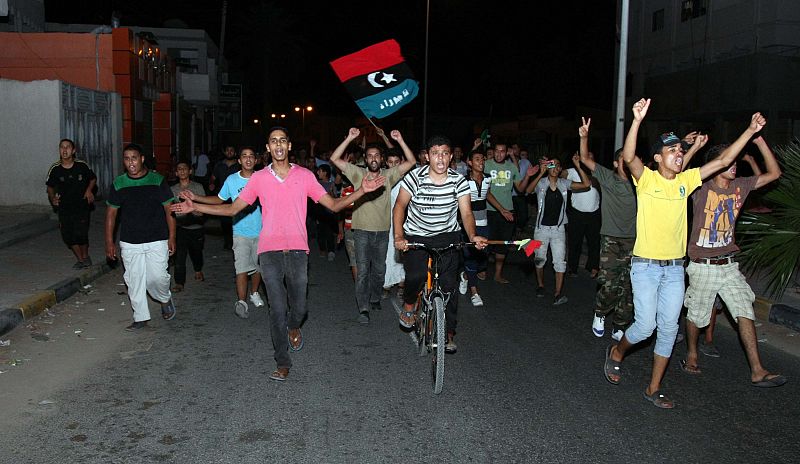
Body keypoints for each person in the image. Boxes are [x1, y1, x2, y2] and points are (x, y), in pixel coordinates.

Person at [172, 127, 385, 381]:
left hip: (298, 251)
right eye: (274, 141)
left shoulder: (305, 176)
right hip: (269, 252)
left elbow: (334, 205)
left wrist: (362, 191)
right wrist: (195, 206)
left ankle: (294, 326)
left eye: (283, 140)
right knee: (277, 308)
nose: (278, 144)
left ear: (289, 145)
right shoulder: (259, 178)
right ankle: (282, 361)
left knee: (300, 308)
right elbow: (232, 209)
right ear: (268, 148)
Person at [604, 98, 766, 409]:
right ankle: (617, 352)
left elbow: (722, 161)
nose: (679, 153)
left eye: (681, 150)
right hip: (646, 268)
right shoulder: (646, 179)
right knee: (645, 327)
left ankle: (653, 388)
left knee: (669, 328)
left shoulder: (686, 181)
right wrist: (636, 120)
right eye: (672, 150)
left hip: (675, 270)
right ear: (657, 158)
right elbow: (629, 156)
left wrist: (749, 131)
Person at [680, 136, 786, 388]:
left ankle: (757, 370)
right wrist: (688, 147)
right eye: (729, 161)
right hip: (703, 265)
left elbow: (774, 174)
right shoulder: (700, 187)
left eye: (736, 161)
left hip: (729, 264)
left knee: (744, 310)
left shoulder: (741, 185)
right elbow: (677, 175)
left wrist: (761, 143)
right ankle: (692, 352)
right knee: (696, 315)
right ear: (717, 164)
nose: (734, 165)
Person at [393, 135, 488, 354]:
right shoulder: (414, 177)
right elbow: (399, 206)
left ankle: (448, 332)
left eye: (445, 153)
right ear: (427, 156)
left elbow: (466, 213)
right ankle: (409, 304)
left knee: (449, 287)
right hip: (416, 235)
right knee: (416, 275)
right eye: (435, 153)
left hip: (447, 236)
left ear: (451, 156)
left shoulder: (459, 181)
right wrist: (399, 236)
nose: (440, 158)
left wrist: (473, 235)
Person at [329, 128, 416, 325]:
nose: (373, 158)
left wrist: (400, 140)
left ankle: (375, 296)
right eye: (369, 155)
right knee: (362, 272)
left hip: (383, 232)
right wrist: (350, 138)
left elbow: (411, 162)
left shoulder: (389, 175)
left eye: (377, 155)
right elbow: (334, 158)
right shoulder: (357, 173)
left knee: (379, 270)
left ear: (382, 159)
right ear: (366, 159)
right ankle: (363, 308)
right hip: (361, 232)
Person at [180, 147, 265, 319]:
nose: (248, 159)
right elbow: (219, 199)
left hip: (262, 231)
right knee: (241, 268)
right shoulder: (232, 180)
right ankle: (241, 302)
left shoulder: (262, 179)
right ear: (239, 160)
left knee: (258, 267)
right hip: (240, 231)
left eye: (251, 156)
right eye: (244, 156)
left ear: (256, 161)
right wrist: (196, 197)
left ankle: (254, 293)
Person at [105, 143, 177, 331]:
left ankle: (164, 298)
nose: (131, 162)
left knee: (157, 277)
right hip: (130, 240)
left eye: (134, 158)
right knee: (134, 279)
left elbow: (169, 209)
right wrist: (109, 242)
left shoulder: (157, 180)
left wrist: (172, 236)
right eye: (127, 159)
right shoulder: (119, 183)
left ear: (142, 159)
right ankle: (140, 317)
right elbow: (111, 213)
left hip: (157, 238)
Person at [578, 118, 637, 341]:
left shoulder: (641, 181)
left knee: (629, 286)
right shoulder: (607, 177)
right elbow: (585, 159)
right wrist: (584, 137)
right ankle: (600, 312)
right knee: (610, 283)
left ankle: (620, 324)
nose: (628, 163)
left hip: (635, 241)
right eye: (624, 159)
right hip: (611, 239)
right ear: (615, 163)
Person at [525, 154, 591, 305]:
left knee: (560, 261)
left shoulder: (564, 183)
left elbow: (586, 184)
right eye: (552, 165)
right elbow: (528, 190)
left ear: (560, 169)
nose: (555, 167)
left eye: (557, 165)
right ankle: (540, 285)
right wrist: (540, 173)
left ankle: (558, 293)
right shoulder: (541, 183)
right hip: (541, 229)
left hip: (558, 229)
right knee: (539, 259)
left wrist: (578, 166)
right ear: (548, 167)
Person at [485, 142, 537, 283]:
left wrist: (527, 176)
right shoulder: (487, 165)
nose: (499, 154)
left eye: (502, 151)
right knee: (486, 241)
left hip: (508, 211)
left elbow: (520, 189)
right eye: (496, 151)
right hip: (489, 210)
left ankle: (498, 274)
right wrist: (501, 210)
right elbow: (486, 192)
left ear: (507, 152)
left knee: (503, 243)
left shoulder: (511, 167)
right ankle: (482, 269)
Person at [458, 148, 504, 306]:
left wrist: (502, 209)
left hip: (484, 223)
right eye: (477, 159)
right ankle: (474, 292)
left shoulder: (487, 178)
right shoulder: (463, 181)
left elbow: (487, 194)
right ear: (470, 163)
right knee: (471, 258)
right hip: (468, 226)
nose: (481, 162)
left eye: (483, 159)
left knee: (483, 259)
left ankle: (465, 276)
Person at [46, 138, 97, 269]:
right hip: (64, 207)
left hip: (81, 206)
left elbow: (92, 178)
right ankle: (80, 260)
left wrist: (89, 190)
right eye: (62, 147)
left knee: (81, 234)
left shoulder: (81, 165)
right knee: (68, 235)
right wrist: (53, 198)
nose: (64, 150)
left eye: (67, 147)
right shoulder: (55, 169)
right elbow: (50, 187)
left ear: (73, 150)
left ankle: (85, 256)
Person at [170, 161, 206, 293]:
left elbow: (204, 208)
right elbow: (169, 209)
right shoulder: (173, 190)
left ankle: (198, 269)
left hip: (196, 226)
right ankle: (179, 282)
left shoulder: (197, 187)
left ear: (190, 171)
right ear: (176, 173)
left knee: (196, 252)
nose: (182, 171)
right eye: (179, 169)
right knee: (179, 256)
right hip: (180, 227)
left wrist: (194, 210)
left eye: (185, 168)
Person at [383, 149, 407, 298]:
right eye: (390, 162)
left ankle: (402, 283)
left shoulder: (407, 180)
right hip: (385, 222)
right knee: (387, 252)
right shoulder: (382, 178)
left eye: (396, 162)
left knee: (401, 252)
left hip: (402, 222)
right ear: (386, 163)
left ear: (401, 162)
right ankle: (386, 283)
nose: (393, 165)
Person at [209, 145, 240, 249]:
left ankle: (236, 241)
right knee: (225, 220)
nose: (229, 152)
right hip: (223, 197)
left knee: (236, 219)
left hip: (236, 196)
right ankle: (227, 241)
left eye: (232, 150)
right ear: (224, 152)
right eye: (227, 150)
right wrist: (212, 183)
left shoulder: (239, 165)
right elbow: (213, 177)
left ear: (235, 153)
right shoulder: (219, 165)